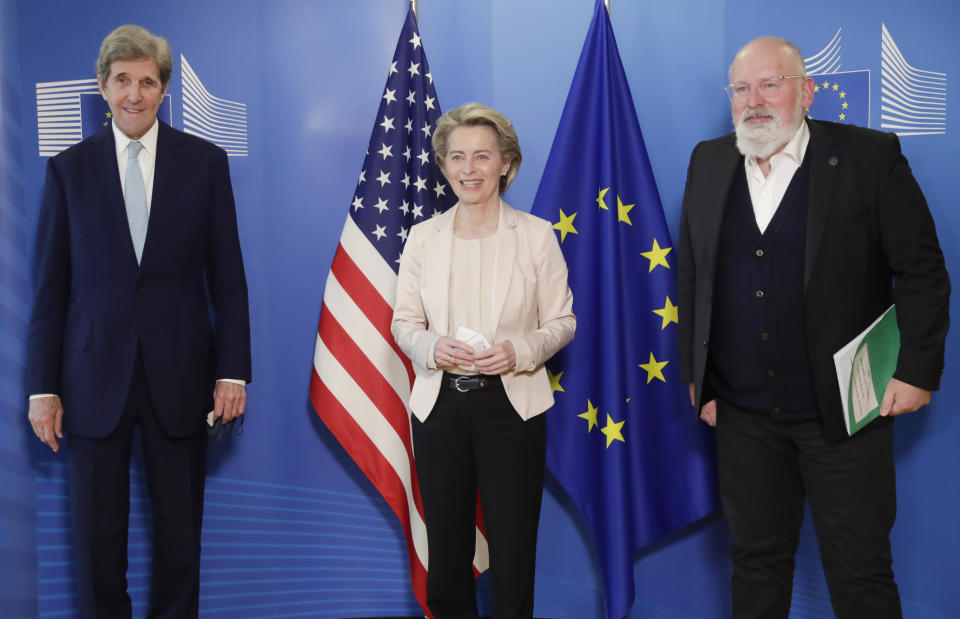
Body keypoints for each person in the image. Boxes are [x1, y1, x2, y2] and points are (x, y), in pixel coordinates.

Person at [677, 36, 950, 618]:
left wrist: (916, 370)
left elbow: (923, 271)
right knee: (755, 566)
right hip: (742, 416)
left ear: (805, 92)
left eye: (770, 84)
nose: (755, 100)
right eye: (742, 88)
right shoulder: (708, 160)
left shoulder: (869, 157)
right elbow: (693, 279)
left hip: (847, 411)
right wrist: (698, 380)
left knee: (860, 573)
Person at [26, 24, 251, 618]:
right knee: (97, 545)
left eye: (146, 82)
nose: (134, 94)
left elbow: (228, 279)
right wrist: (43, 389)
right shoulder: (68, 170)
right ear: (103, 87)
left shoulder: (205, 163)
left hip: (181, 378)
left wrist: (234, 371)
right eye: (122, 80)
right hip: (91, 382)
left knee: (180, 542)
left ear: (163, 89)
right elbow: (49, 291)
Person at [392, 102, 575, 618]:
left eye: (481, 156)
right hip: (440, 407)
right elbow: (403, 322)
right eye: (457, 157)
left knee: (514, 547)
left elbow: (563, 322)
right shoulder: (423, 237)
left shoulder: (537, 235)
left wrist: (520, 351)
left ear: (507, 165)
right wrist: (431, 347)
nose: (468, 169)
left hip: (512, 408)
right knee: (447, 547)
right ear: (445, 166)